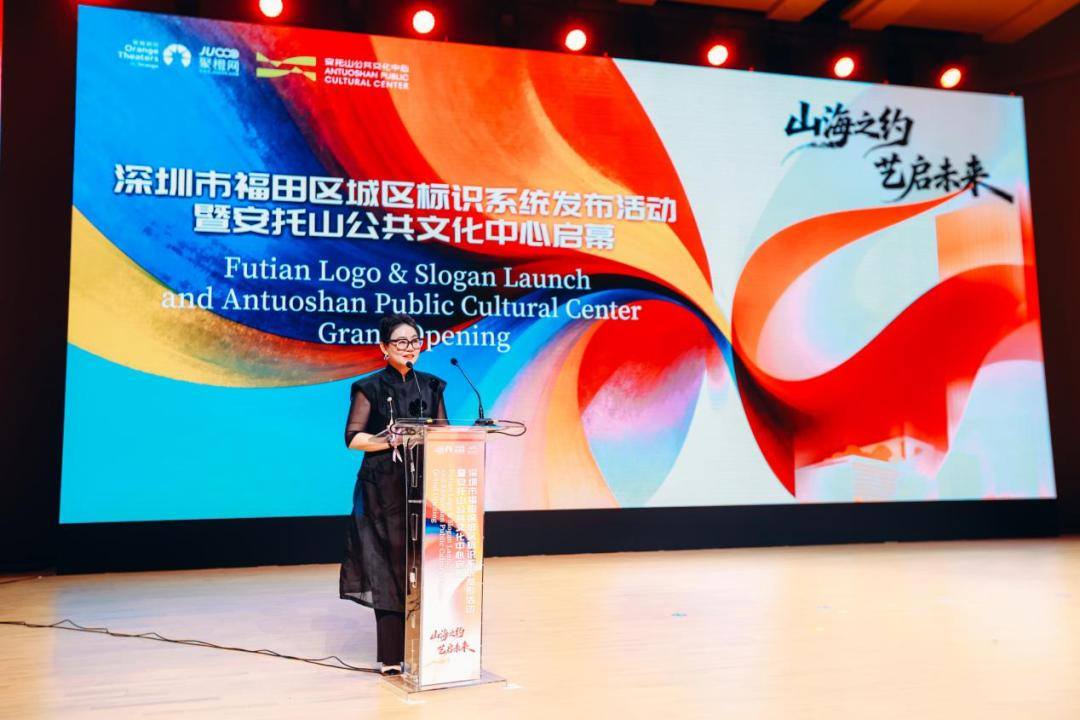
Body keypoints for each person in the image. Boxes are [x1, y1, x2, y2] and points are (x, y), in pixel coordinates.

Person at [340, 313, 448, 675]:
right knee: (387, 566)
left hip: (423, 485)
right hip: (382, 490)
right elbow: (353, 438)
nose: (409, 347)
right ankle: (390, 656)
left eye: (414, 341)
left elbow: (443, 433)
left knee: (424, 564)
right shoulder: (368, 387)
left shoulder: (432, 386)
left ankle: (426, 647)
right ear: (384, 347)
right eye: (400, 341)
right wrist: (389, 440)